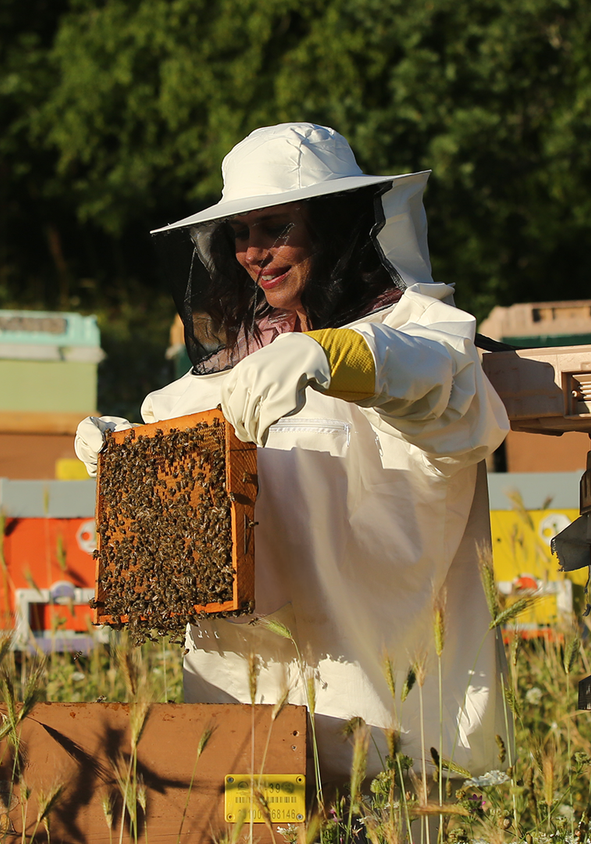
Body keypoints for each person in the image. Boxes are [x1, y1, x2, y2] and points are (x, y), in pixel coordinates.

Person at [78, 123, 513, 784]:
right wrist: (124, 457)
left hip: (386, 733)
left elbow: (446, 392)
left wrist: (330, 356)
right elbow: (176, 466)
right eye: (242, 233)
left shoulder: (415, 333)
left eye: (275, 226)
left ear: (331, 224)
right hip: (237, 727)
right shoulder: (227, 370)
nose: (255, 251)